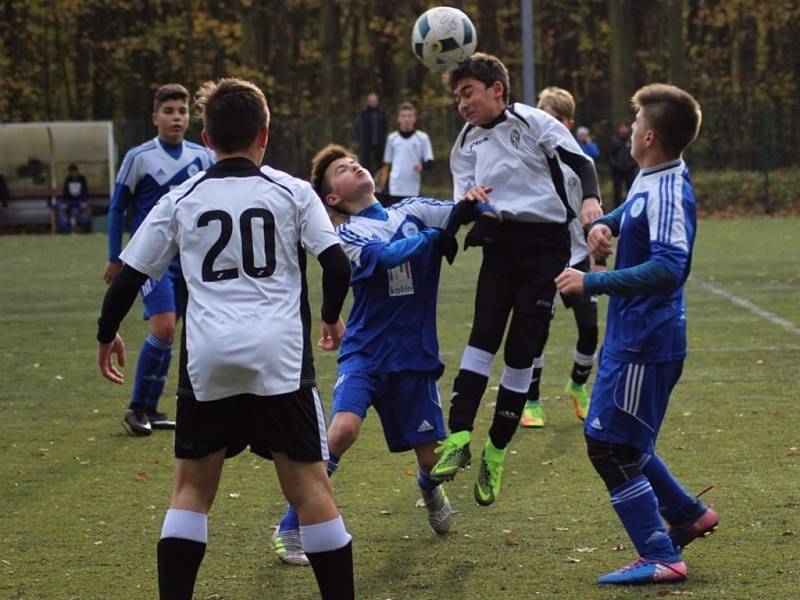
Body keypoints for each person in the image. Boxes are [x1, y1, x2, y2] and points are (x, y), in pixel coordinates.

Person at [95, 78, 355, 599]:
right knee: (309, 489)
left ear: (206, 137)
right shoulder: (292, 191)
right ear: (265, 134)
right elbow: (334, 262)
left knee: (191, 490)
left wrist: (107, 335)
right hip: (279, 360)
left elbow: (127, 274)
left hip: (207, 361)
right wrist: (329, 315)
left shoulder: (181, 197)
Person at [555, 83, 719, 585]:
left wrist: (594, 282)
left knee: (610, 447)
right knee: (622, 441)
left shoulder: (670, 189)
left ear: (648, 137)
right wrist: (606, 223)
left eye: (636, 124)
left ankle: (661, 554)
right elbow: (634, 212)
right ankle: (688, 514)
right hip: (635, 337)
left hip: (646, 342)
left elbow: (671, 267)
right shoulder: (655, 176)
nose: (630, 131)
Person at [272, 143, 463, 566]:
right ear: (333, 198)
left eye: (354, 161)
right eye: (341, 169)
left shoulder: (413, 208)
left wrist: (479, 206)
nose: (354, 166)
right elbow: (390, 255)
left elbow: (461, 210)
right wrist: (435, 237)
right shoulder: (347, 235)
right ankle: (290, 527)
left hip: (414, 357)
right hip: (367, 353)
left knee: (433, 461)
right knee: (342, 430)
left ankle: (428, 488)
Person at [429, 54, 602, 507]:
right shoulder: (465, 143)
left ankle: (496, 450)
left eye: (468, 93)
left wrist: (590, 203)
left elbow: (582, 165)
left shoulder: (536, 123)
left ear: (497, 90)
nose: (462, 104)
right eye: (456, 97)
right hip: (500, 244)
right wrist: (469, 206)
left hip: (547, 246)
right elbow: (463, 206)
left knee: (522, 348)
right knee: (481, 338)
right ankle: (460, 436)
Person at [103, 83, 214, 436]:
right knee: (164, 326)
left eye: (182, 111)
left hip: (191, 256)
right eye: (168, 111)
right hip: (153, 258)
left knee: (176, 331)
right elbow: (119, 207)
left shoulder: (203, 156)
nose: (176, 117)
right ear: (155, 118)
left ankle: (151, 407)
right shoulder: (139, 157)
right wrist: (115, 257)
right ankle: (136, 408)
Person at [519, 86, 605, 428]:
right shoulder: (528, 160)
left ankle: (577, 385)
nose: (544, 123)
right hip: (542, 259)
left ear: (567, 124)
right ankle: (532, 400)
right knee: (537, 330)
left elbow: (593, 212)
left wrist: (599, 258)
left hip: (579, 256)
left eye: (552, 117)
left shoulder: (580, 163)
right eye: (541, 115)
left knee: (589, 328)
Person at [377, 101, 434, 205]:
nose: (406, 119)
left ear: (414, 118)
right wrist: (382, 186)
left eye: (409, 116)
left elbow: (430, 162)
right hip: (394, 188)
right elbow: (387, 165)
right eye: (403, 116)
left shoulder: (423, 138)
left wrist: (422, 166)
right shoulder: (392, 138)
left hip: (413, 188)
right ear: (398, 119)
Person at [354, 92, 388, 175]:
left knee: (380, 165)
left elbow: (385, 128)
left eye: (374, 100)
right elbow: (357, 128)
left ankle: (380, 184)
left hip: (379, 144)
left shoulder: (382, 113)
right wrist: (360, 141)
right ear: (368, 101)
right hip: (366, 144)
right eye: (371, 101)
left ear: (377, 101)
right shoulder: (362, 114)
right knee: (366, 164)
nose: (373, 102)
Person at [608, 122, 638, 208]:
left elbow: (635, 155)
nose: (623, 130)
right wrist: (615, 165)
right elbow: (610, 155)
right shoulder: (614, 140)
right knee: (617, 191)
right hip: (617, 170)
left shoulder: (631, 140)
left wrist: (632, 165)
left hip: (630, 170)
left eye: (625, 128)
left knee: (630, 189)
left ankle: (630, 207)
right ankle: (616, 208)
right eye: (622, 128)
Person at [57, 164, 91, 233]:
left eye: (74, 171)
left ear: (77, 171)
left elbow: (85, 191)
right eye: (71, 172)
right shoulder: (67, 180)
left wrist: (84, 202)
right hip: (69, 201)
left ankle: (83, 228)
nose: (73, 173)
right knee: (61, 208)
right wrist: (64, 203)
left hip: (80, 201)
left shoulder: (82, 179)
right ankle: (65, 228)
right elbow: (65, 192)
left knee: (86, 209)